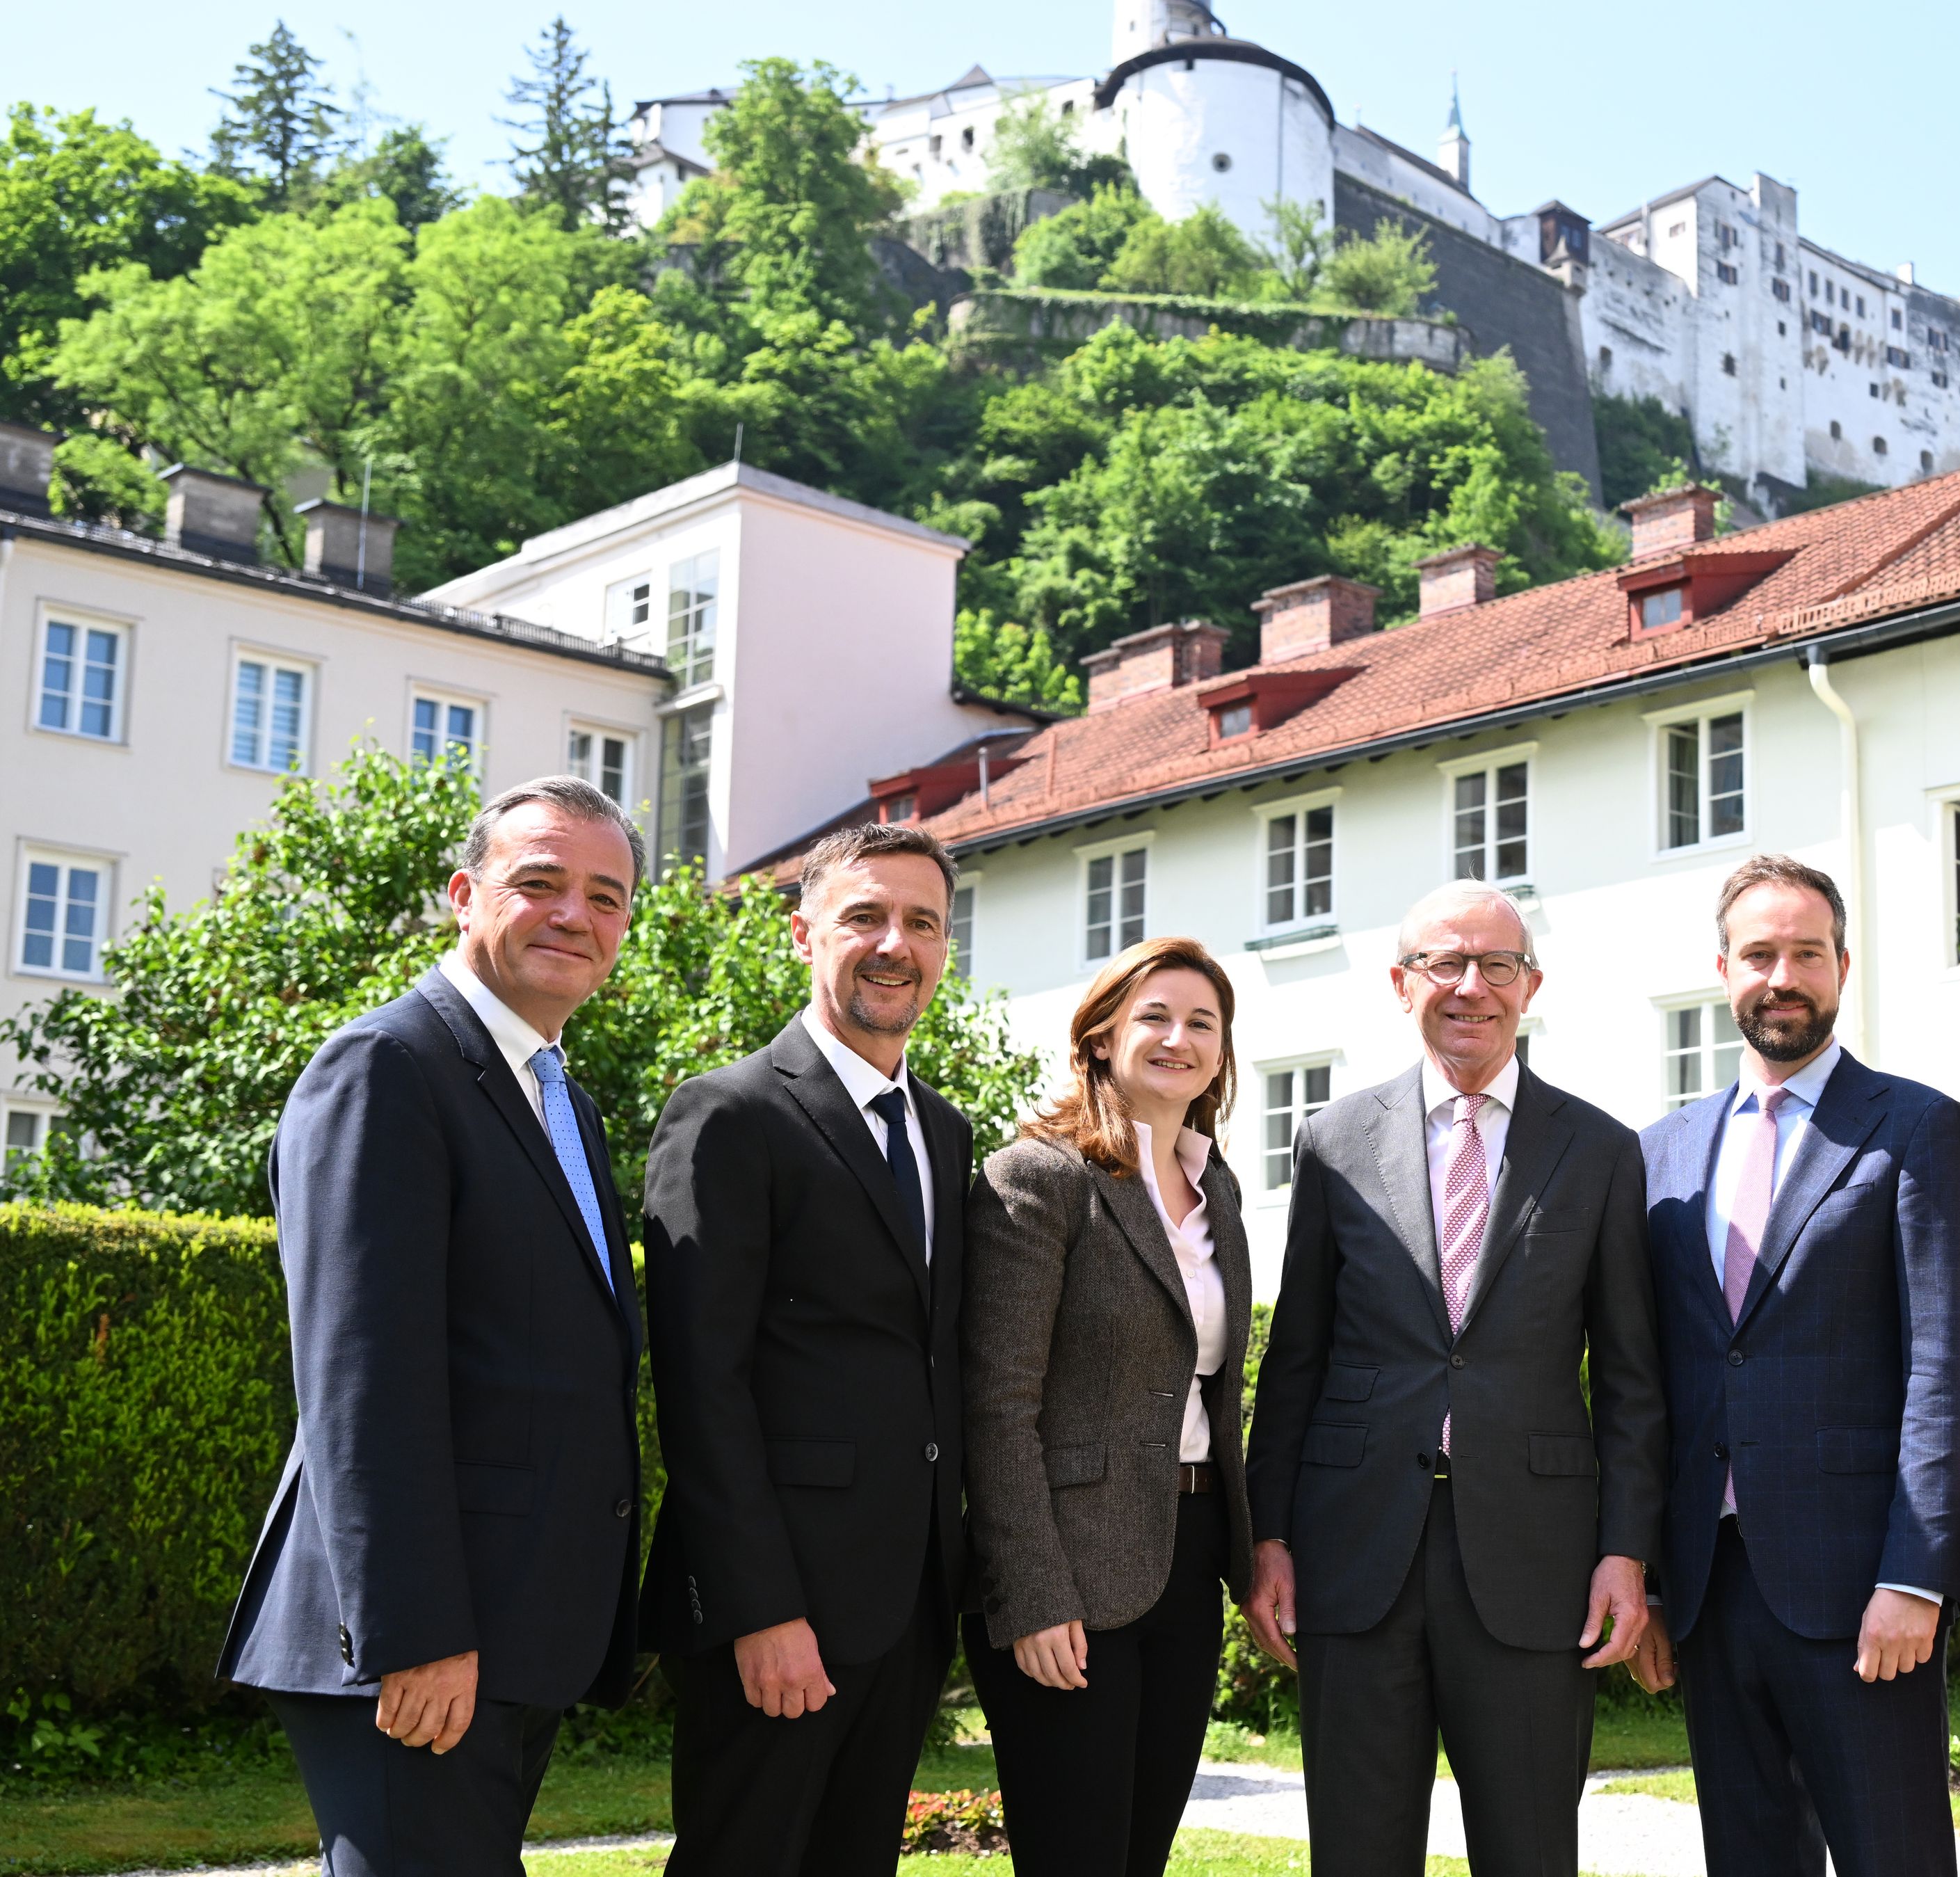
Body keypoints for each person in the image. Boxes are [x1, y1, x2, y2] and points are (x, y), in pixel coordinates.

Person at [219, 776, 648, 1876]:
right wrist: (416, 1633)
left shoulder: (563, 1099)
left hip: (518, 1625)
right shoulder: (386, 1067)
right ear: (465, 894)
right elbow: (363, 1380)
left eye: (605, 898)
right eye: (539, 883)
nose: (574, 915)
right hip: (419, 1642)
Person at [1243, 879, 1669, 1877]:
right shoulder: (1334, 1139)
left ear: (1532, 985)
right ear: (1402, 982)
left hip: (1536, 1558)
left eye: (1498, 965)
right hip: (1355, 1552)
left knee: (1528, 1851)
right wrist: (1269, 1533)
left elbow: (1632, 1378)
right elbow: (1296, 1355)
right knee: (1357, 1850)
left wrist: (1626, 1550)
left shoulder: (1601, 1149)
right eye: (1445, 962)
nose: (1471, 986)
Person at [1628, 854, 1960, 1876]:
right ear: (1723, 968)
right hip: (1709, 1584)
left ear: (1844, 965)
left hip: (1859, 1585)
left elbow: (1950, 1367)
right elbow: (1648, 1378)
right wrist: (1654, 1578)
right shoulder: (1660, 1152)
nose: (1781, 974)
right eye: (1759, 953)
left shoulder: (1919, 1128)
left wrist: (1918, 1575)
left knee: (1895, 1855)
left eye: (1805, 952)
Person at [637, 822, 974, 1877]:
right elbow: (702, 1384)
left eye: (922, 922)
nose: (894, 943)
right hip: (779, 1610)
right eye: (864, 916)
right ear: (802, 934)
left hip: (908, 1601)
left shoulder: (946, 1130)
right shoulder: (729, 1113)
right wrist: (759, 1609)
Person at [962, 936, 1254, 1877]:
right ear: (1099, 1039)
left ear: (1222, 1051)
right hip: (1071, 1571)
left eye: (1202, 1022)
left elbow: (1216, 1384)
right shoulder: (1038, 1176)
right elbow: (997, 1405)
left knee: (1141, 1856)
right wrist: (1032, 1594)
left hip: (1190, 1552)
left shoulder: (1220, 1190)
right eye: (1155, 1017)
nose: (1180, 1037)